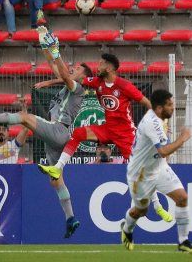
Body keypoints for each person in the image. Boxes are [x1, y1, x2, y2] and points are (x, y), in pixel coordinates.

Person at [0, 28, 93, 238]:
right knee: (56, 180)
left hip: (59, 130)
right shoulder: (69, 87)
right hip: (57, 138)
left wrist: (56, 51)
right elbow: (55, 68)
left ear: (84, 77)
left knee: (24, 116)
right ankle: (70, 218)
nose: (73, 69)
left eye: (77, 69)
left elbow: (64, 75)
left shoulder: (78, 89)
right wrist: (46, 46)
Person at [39, 53, 173, 223]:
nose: (98, 67)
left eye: (101, 64)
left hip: (126, 134)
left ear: (109, 68)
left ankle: (157, 206)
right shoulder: (97, 83)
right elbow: (69, 79)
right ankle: (57, 167)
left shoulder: (124, 86)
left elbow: (147, 103)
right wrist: (53, 71)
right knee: (79, 133)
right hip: (108, 129)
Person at [121, 89, 192, 254]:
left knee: (182, 198)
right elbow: (163, 151)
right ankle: (127, 228)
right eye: (170, 105)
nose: (173, 108)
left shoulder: (160, 118)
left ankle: (183, 241)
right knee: (141, 211)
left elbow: (161, 152)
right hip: (140, 174)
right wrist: (182, 138)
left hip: (159, 168)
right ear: (158, 108)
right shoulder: (152, 122)